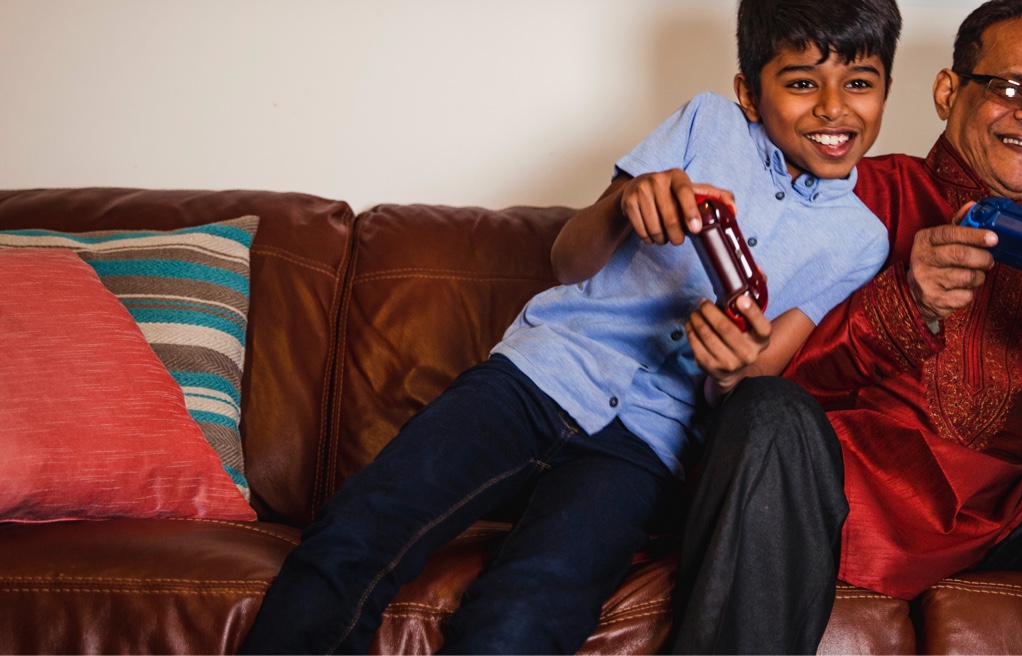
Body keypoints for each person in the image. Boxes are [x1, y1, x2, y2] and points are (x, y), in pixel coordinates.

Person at [238, 0, 900, 652]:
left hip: (645, 446)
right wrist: (623, 203)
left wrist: (730, 369)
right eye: (802, 82)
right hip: (538, 376)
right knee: (357, 532)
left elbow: (757, 376)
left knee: (529, 612)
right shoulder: (706, 122)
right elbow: (567, 259)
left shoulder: (859, 241)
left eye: (860, 84)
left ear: (886, 93)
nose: (833, 107)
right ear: (749, 93)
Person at [671, 0, 1022, 654]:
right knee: (766, 411)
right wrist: (902, 304)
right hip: (850, 497)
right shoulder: (855, 194)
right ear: (948, 91)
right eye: (1010, 88)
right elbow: (750, 376)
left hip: (1015, 510)